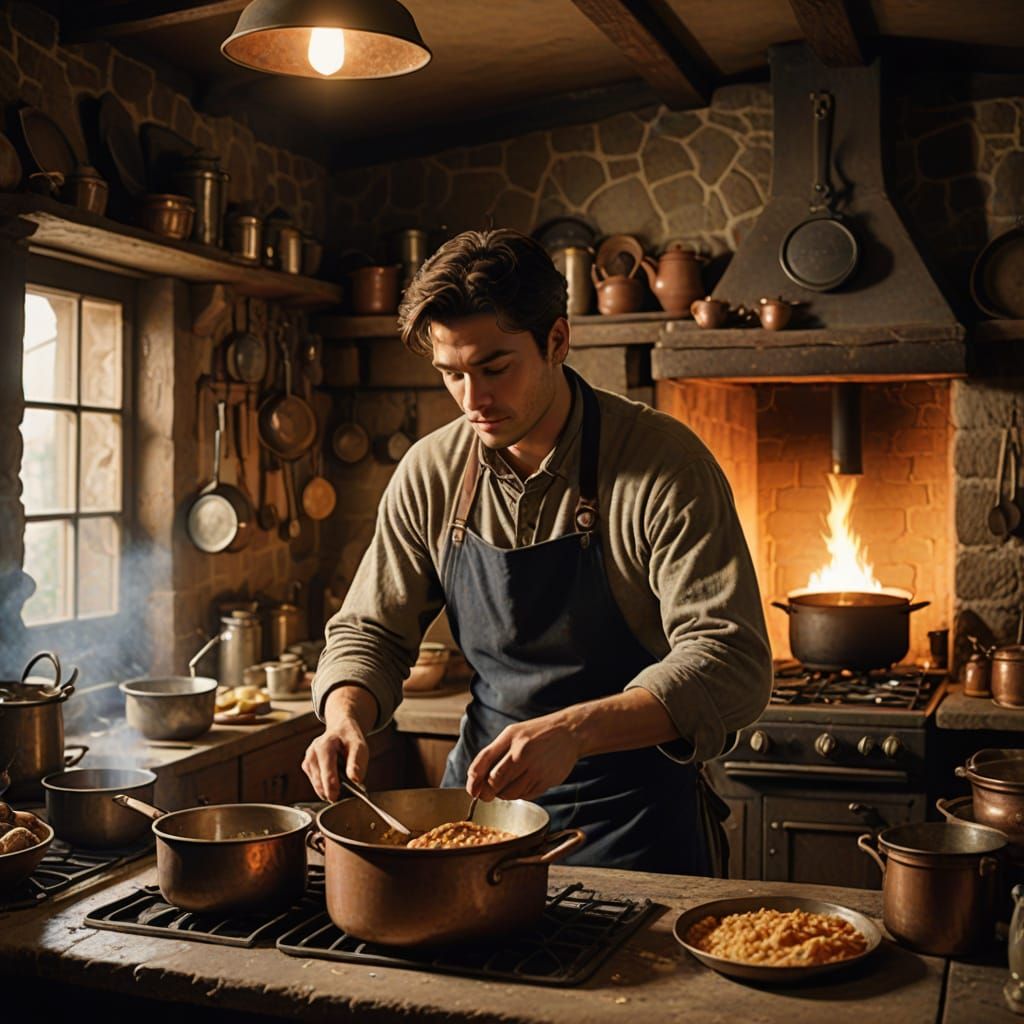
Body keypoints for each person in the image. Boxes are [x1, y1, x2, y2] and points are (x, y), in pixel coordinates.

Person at [302, 228, 772, 875]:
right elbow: (370, 631)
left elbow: (730, 661)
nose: (473, 400)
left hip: (633, 821)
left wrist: (575, 732)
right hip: (480, 813)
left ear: (557, 339)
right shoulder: (430, 473)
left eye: (495, 368)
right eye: (451, 374)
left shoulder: (663, 463)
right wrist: (344, 716)